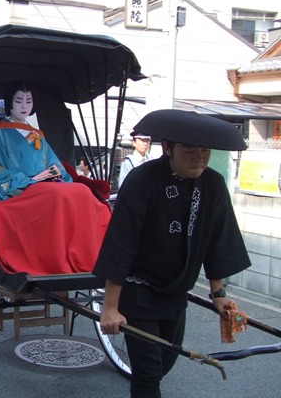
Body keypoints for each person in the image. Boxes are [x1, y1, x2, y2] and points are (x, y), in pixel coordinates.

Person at [93, 110, 251, 398]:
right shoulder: (142, 180)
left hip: (176, 295)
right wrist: (110, 307)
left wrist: (218, 293)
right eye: (189, 151)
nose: (199, 158)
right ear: (168, 148)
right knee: (149, 373)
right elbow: (121, 242)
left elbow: (218, 239)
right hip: (137, 292)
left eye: (204, 151)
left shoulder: (213, 184)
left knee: (165, 363)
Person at [0, 80, 110, 275]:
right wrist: (29, 179)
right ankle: (55, 259)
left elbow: (53, 164)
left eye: (28, 101)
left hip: (44, 185)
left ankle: (87, 258)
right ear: (9, 102)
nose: (24, 106)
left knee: (81, 191)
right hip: (18, 189)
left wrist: (56, 175)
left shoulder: (36, 135)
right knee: (57, 195)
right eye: (19, 100)